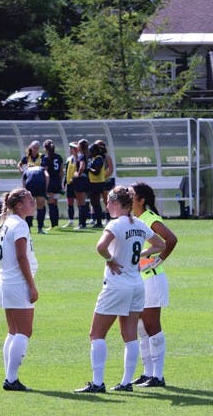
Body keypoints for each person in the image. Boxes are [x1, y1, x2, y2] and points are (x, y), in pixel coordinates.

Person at [74, 185, 166, 394]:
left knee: (96, 334)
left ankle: (98, 382)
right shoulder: (139, 224)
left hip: (116, 285)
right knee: (130, 335)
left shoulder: (115, 224)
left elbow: (101, 247)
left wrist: (110, 259)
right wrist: (141, 255)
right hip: (136, 285)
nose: (106, 205)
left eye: (109, 201)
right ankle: (125, 382)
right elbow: (160, 245)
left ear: (116, 203)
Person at [131, 182, 178, 387]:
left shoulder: (149, 218)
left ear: (141, 200)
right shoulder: (134, 219)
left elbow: (171, 239)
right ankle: (147, 372)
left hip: (151, 279)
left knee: (152, 325)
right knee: (141, 327)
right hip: (139, 279)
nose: (128, 196)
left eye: (131, 194)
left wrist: (158, 260)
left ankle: (158, 376)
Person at [0, 188, 39, 392]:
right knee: (24, 331)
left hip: (6, 280)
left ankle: (9, 376)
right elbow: (22, 257)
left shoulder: (7, 223)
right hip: (17, 282)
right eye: (30, 201)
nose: (33, 204)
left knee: (13, 331)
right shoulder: (20, 225)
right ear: (19, 205)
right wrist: (31, 285)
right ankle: (11, 379)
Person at [18, 140, 48, 233]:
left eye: (37, 148)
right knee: (29, 205)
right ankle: (28, 227)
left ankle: (40, 227)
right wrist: (23, 171)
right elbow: (19, 165)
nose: (35, 150)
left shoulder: (42, 157)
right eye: (34, 148)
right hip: (30, 182)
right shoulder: (27, 157)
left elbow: (45, 170)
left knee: (40, 205)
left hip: (40, 182)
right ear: (30, 148)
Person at [42, 139, 64, 230]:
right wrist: (60, 183)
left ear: (45, 148)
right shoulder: (59, 157)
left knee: (51, 203)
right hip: (57, 181)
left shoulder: (46, 158)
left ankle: (53, 224)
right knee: (55, 203)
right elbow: (61, 172)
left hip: (50, 181)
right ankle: (56, 223)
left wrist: (46, 184)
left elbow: (45, 172)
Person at [94, 139, 116, 224]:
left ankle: (108, 218)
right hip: (97, 181)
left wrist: (102, 177)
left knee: (106, 200)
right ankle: (95, 218)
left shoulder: (107, 157)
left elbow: (111, 170)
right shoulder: (95, 157)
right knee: (95, 200)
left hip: (106, 181)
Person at [87, 142, 107, 227]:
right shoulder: (93, 158)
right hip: (93, 183)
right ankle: (97, 221)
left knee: (96, 203)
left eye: (91, 151)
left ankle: (99, 222)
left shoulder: (99, 158)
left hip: (98, 183)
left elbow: (96, 172)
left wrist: (89, 168)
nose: (89, 152)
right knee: (94, 203)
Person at [72, 138, 91, 229]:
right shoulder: (87, 155)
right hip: (86, 180)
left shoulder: (82, 156)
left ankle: (82, 224)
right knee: (82, 202)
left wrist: (77, 174)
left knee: (80, 203)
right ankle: (83, 223)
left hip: (80, 180)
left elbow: (82, 166)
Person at [61, 141, 80, 227]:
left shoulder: (80, 158)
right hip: (69, 184)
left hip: (77, 183)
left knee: (79, 203)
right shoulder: (69, 159)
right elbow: (66, 172)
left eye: (72, 148)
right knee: (70, 203)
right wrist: (64, 182)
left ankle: (81, 221)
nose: (70, 149)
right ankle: (71, 221)